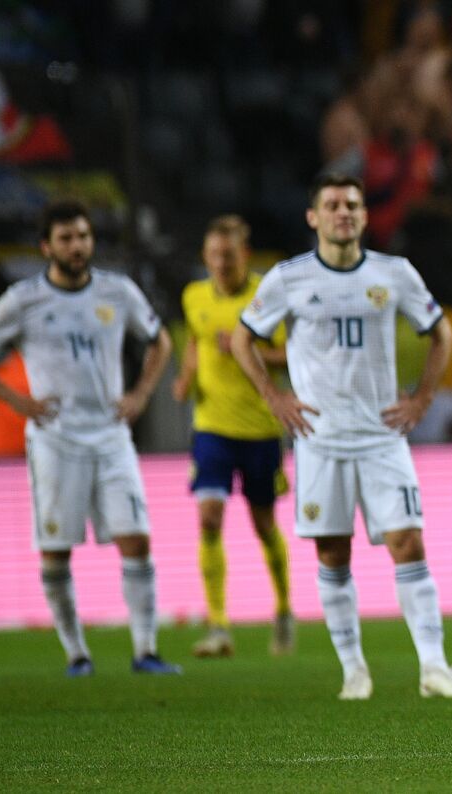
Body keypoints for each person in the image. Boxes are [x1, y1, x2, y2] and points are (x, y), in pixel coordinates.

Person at [231, 173, 452, 700]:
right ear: (313, 217)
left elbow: (441, 333)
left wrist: (422, 398)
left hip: (382, 437)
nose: (344, 212)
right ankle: (354, 671)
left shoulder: (395, 274)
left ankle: (433, 668)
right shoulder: (287, 279)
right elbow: (241, 338)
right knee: (332, 555)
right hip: (320, 439)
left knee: (408, 541)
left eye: (353, 205)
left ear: (365, 218)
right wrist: (273, 398)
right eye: (333, 205)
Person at [0, 200, 180, 676]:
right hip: (55, 440)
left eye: (82, 236)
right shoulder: (24, 299)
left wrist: (140, 392)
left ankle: (146, 651)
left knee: (136, 539)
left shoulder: (118, 292)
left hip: (112, 436)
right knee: (56, 549)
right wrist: (18, 402)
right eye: (66, 238)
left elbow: (160, 341)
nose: (77, 246)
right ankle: (77, 653)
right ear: (46, 246)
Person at [172, 215, 294, 658]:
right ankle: (218, 623)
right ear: (205, 257)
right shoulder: (194, 295)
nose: (220, 263)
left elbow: (286, 352)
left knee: (263, 525)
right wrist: (186, 376)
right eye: (213, 256)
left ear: (244, 255)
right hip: (211, 426)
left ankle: (283, 608)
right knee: (208, 518)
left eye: (228, 255)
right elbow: (194, 341)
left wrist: (249, 347)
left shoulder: (266, 295)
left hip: (260, 426)